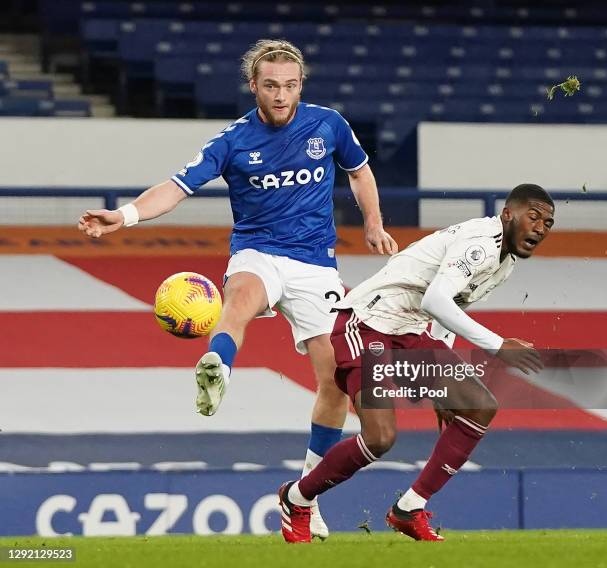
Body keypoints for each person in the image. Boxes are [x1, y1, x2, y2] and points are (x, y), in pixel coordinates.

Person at [77, 38, 397, 539]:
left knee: (334, 383)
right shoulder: (232, 141)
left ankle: (305, 498)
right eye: (271, 85)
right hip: (259, 252)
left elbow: (360, 172)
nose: (281, 95)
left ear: (300, 86)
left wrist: (374, 222)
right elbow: (175, 188)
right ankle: (217, 365)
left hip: (316, 266)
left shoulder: (329, 124)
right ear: (254, 86)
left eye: (290, 85)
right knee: (240, 297)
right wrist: (124, 216)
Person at [279, 184, 554, 543]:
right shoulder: (480, 243)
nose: (540, 228)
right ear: (508, 214)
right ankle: (296, 498)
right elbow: (436, 301)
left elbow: (450, 307)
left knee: (479, 406)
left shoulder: (505, 263)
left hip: (408, 331)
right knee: (380, 438)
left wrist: (437, 380)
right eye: (533, 217)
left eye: (548, 223)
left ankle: (409, 508)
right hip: (367, 322)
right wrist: (498, 346)